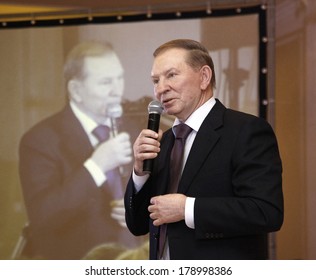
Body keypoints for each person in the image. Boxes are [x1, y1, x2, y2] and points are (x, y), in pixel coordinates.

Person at [124, 39, 284, 260]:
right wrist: (140, 173)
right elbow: (138, 224)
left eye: (171, 75)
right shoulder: (164, 141)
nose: (161, 88)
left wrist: (187, 209)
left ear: (204, 77)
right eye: (155, 80)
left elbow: (266, 212)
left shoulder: (246, 130)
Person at [18, 41, 143, 259]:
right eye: (105, 82)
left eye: (120, 78)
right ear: (76, 90)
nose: (117, 91)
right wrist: (97, 166)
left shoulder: (133, 130)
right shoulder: (40, 140)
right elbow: (44, 216)